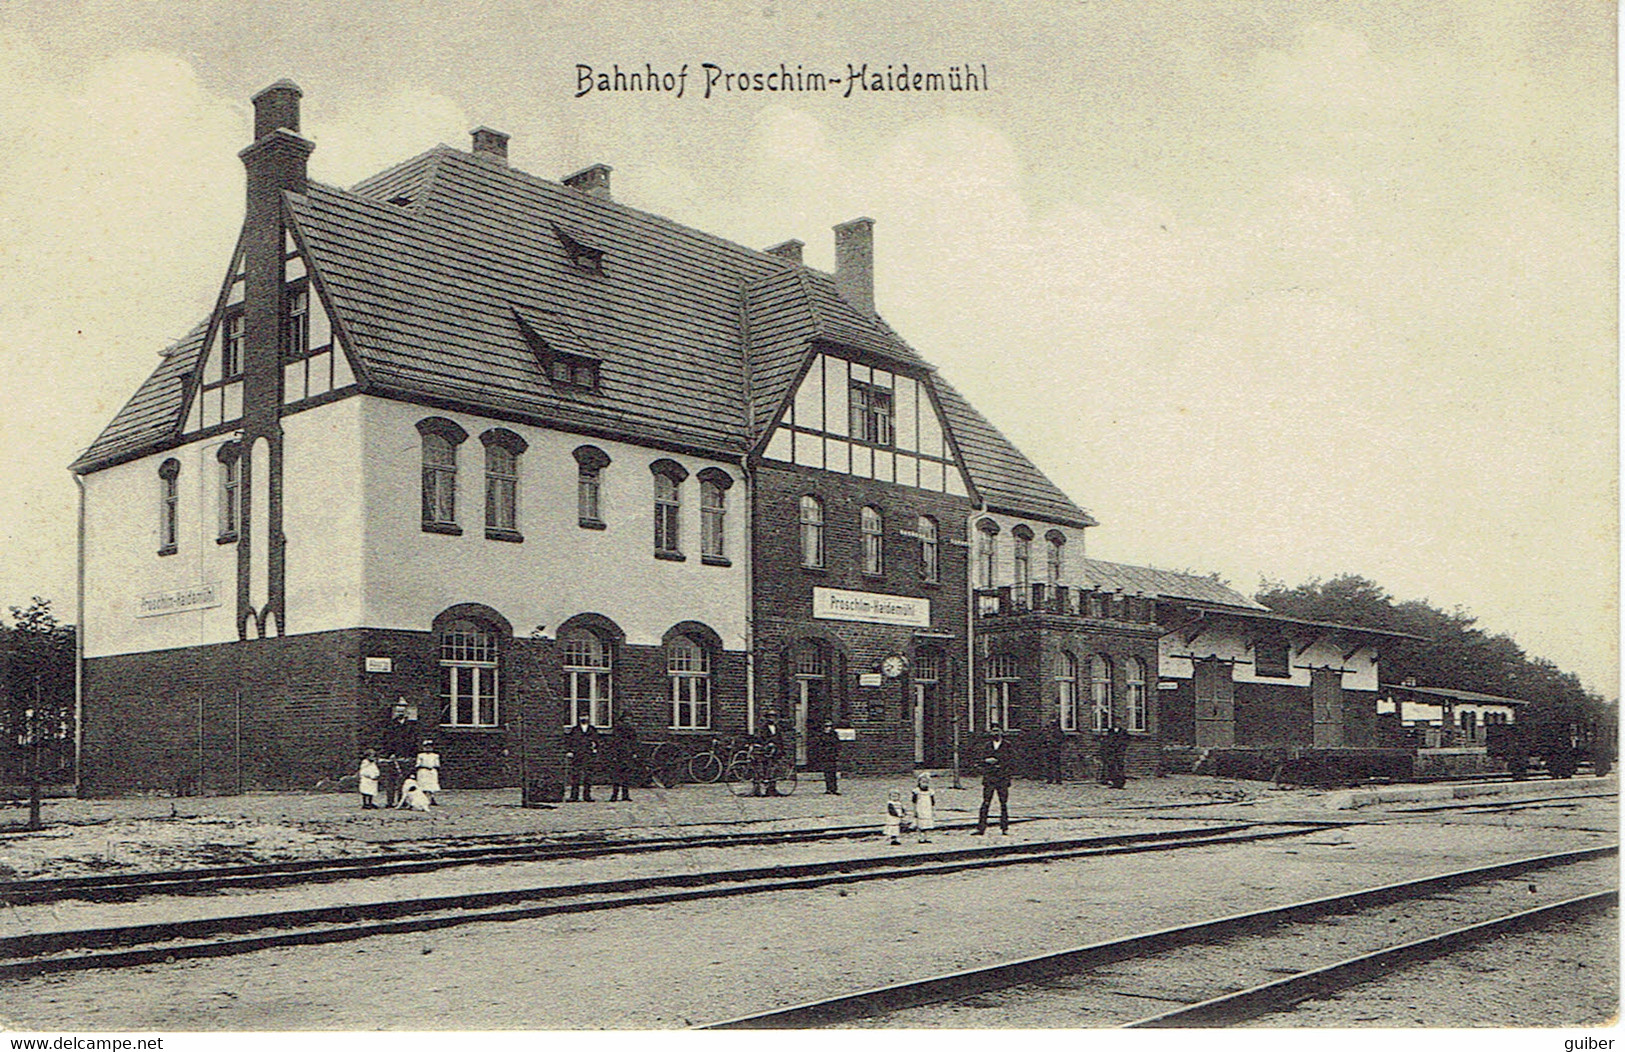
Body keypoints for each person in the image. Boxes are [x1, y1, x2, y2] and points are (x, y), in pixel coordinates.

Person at [974, 726, 1013, 835]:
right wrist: (986, 761)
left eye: (997, 731)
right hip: (990, 778)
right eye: (993, 731)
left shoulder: (1007, 745)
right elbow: (980, 760)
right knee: (986, 802)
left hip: (1002, 777)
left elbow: (1011, 760)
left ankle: (1004, 827)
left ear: (1002, 732)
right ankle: (981, 827)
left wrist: (999, 762)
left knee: (1003, 803)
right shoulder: (987, 746)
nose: (995, 733)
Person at [382, 698, 419, 807]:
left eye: (402, 711)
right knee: (391, 780)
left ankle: (402, 801)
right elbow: (386, 740)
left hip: (406, 756)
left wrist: (411, 755)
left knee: (403, 780)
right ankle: (389, 802)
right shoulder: (390, 725)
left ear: (406, 713)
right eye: (398, 711)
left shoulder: (411, 726)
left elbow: (414, 740)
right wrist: (389, 753)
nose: (400, 714)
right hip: (393, 757)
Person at [564, 714, 599, 802]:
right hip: (577, 754)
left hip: (588, 754)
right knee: (576, 775)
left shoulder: (592, 729)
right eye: (582, 717)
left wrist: (595, 749)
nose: (584, 718)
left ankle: (587, 796)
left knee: (588, 775)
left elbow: (597, 741)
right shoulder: (575, 730)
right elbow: (570, 741)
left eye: (585, 717)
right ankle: (574, 796)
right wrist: (570, 751)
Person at [606, 710, 639, 802]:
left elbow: (634, 742)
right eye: (626, 719)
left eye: (629, 719)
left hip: (627, 754)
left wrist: (634, 752)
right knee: (617, 775)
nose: (628, 721)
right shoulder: (618, 729)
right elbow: (613, 742)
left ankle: (625, 794)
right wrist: (613, 754)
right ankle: (615, 794)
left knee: (626, 775)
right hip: (619, 754)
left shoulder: (631, 730)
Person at [753, 714, 786, 797]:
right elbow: (761, 738)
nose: (772, 719)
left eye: (773, 717)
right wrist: (768, 744)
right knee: (764, 769)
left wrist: (781, 749)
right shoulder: (763, 728)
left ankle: (772, 789)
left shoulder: (777, 727)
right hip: (766, 751)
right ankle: (759, 789)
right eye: (770, 717)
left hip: (775, 750)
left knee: (774, 769)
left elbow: (779, 739)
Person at [809, 719, 841, 795]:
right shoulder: (821, 735)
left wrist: (835, 753)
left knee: (832, 773)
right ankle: (828, 788)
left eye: (829, 726)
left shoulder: (834, 734)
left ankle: (833, 788)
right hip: (825, 756)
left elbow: (837, 745)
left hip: (832, 755)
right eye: (826, 726)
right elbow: (818, 745)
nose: (828, 728)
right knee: (827, 772)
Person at [911, 772, 936, 843]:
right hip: (920, 808)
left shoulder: (930, 792)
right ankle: (920, 837)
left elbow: (932, 802)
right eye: (923, 782)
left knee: (927, 823)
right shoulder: (917, 791)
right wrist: (915, 810)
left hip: (927, 809)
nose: (925, 784)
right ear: (919, 782)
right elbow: (914, 801)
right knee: (920, 824)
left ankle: (927, 837)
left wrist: (933, 810)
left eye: (927, 782)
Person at [414, 740, 441, 805]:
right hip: (423, 771)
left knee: (431, 785)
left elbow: (437, 764)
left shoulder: (435, 755)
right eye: (426, 747)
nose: (428, 748)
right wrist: (424, 766)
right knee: (423, 785)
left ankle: (432, 798)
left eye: (430, 747)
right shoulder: (421, 755)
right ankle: (423, 799)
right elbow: (418, 764)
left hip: (431, 771)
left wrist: (433, 767)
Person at [1102, 725, 1129, 789]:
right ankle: (1114, 782)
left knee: (1119, 767)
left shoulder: (1123, 732)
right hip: (1111, 752)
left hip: (1119, 752)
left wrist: (1122, 749)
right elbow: (1108, 740)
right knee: (1112, 766)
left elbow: (1125, 741)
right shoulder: (1110, 731)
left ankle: (1120, 783)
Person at [1042, 719, 1066, 785]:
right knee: (1049, 765)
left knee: (1056, 765)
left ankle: (1058, 780)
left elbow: (1061, 740)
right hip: (1049, 750)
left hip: (1055, 750)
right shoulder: (1049, 732)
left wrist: (1053, 743)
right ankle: (1050, 779)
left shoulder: (1058, 732)